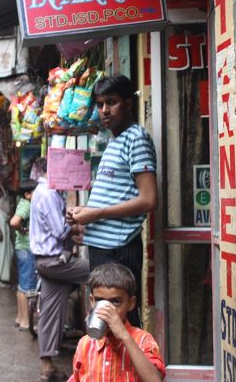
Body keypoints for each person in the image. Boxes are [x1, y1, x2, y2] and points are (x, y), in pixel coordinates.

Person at [68, 75, 157, 327]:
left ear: (128, 103)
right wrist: (83, 214)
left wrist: (94, 215)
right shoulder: (115, 140)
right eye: (99, 104)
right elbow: (116, 196)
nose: (104, 110)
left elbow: (149, 200)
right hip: (104, 250)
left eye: (112, 102)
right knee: (104, 326)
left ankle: (132, 368)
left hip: (119, 250)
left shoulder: (136, 138)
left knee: (120, 324)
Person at [30, 158, 89, 382]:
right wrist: (80, 220)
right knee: (100, 269)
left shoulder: (42, 191)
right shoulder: (48, 193)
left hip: (46, 262)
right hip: (54, 261)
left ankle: (48, 367)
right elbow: (59, 230)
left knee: (50, 312)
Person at [68, 263, 165, 382]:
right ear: (92, 301)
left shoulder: (143, 340)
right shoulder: (85, 344)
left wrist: (125, 336)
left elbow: (155, 380)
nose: (107, 310)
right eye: (99, 301)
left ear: (130, 303)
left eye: (116, 302)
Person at [9, 179, 38, 331]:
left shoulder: (23, 202)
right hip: (26, 248)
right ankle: (26, 322)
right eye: (35, 192)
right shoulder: (26, 205)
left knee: (22, 285)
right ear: (27, 194)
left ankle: (20, 318)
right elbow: (14, 222)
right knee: (27, 285)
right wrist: (23, 231)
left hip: (22, 248)